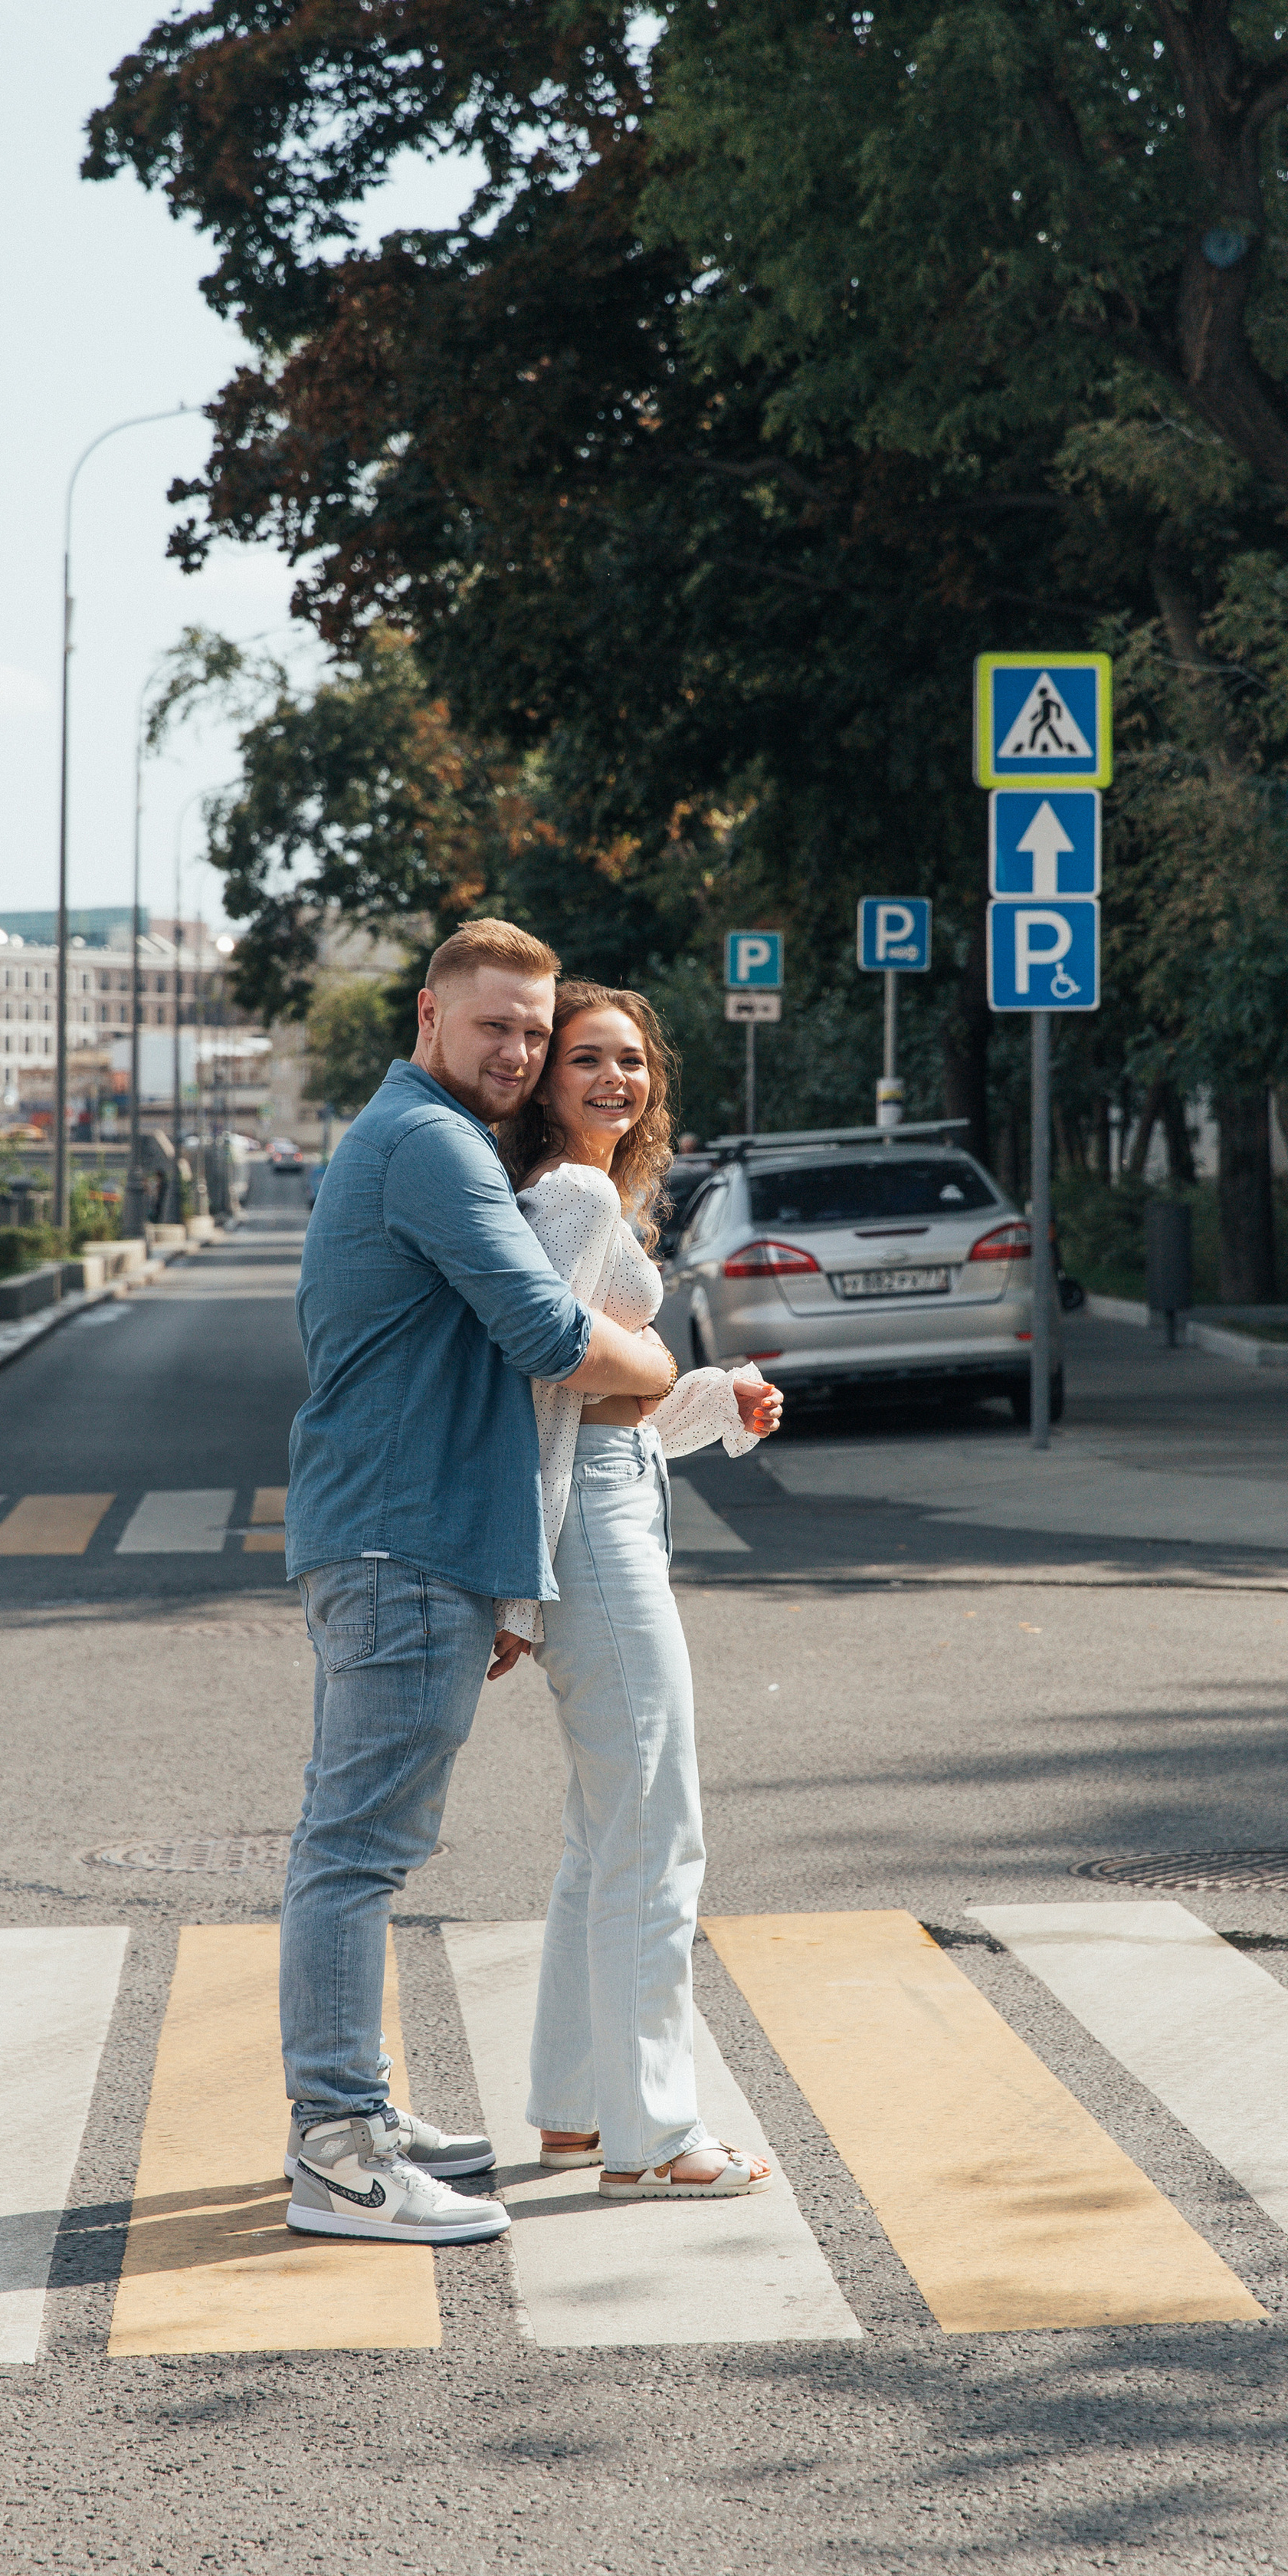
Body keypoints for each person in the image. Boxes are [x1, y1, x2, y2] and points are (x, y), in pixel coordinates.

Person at [280, 917, 680, 2247]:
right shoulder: (432, 1145)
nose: (516, 1049)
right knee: (357, 1851)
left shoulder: (419, 1138)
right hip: (400, 1535)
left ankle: (359, 2116)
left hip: (416, 1531)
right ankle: (337, 2149)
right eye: (496, 1025)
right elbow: (546, 1336)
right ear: (428, 1018)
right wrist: (670, 1372)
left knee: (363, 1842)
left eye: (531, 1028)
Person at [494, 986, 785, 2197]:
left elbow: (594, 1403)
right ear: (545, 1084)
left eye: (632, 1061)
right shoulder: (566, 1195)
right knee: (657, 1830)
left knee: (604, 1830)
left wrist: (710, 1399)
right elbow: (534, 1380)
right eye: (586, 1061)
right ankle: (655, 2134)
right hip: (594, 1529)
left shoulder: (591, 1195)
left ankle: (574, 2109)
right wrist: (519, 1585)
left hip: (606, 1505)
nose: (617, 1080)